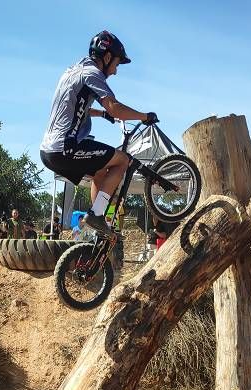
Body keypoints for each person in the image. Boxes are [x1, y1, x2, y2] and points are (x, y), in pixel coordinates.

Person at [39, 31, 156, 238]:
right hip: (65, 148)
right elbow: (115, 107)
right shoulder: (93, 74)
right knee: (122, 161)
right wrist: (143, 116)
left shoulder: (72, 71)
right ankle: (96, 215)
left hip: (48, 150)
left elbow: (76, 106)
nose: (116, 71)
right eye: (117, 64)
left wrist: (101, 114)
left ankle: (96, 224)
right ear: (107, 57)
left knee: (101, 171)